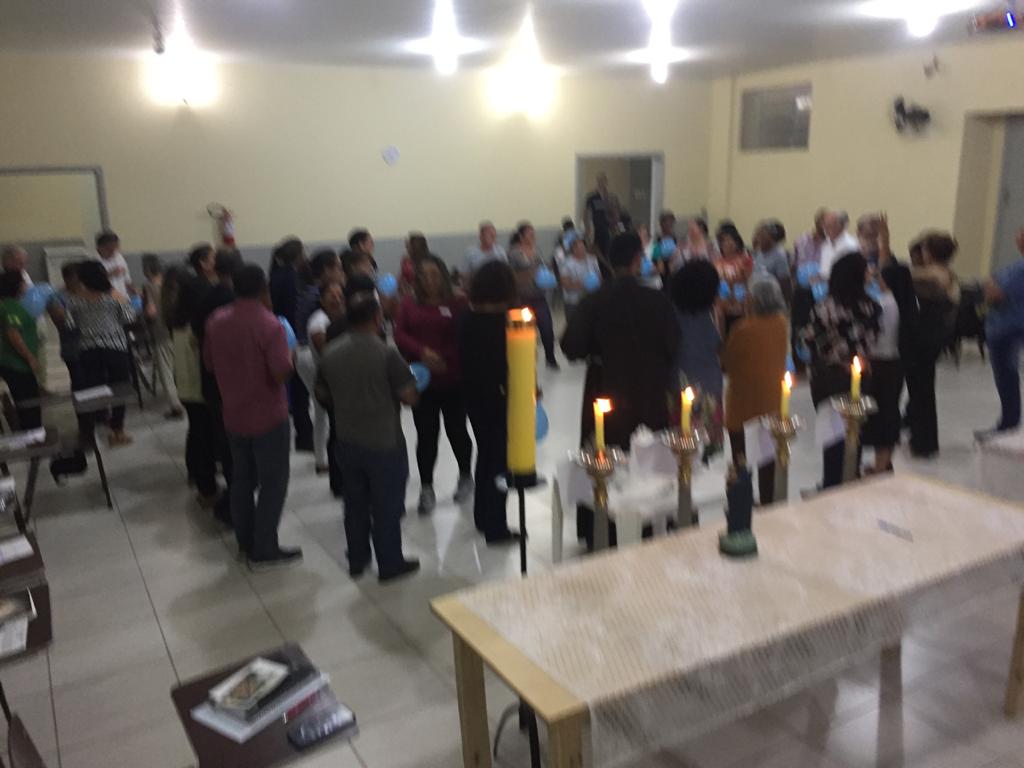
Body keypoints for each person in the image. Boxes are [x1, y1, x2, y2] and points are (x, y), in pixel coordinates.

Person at [562, 232, 679, 547]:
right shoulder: (657, 300)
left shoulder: (594, 300)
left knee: (603, 452)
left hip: (606, 388)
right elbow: (674, 345)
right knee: (648, 452)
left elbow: (570, 346)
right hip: (649, 390)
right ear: (638, 260)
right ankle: (651, 523)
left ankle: (600, 528)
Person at [316, 287, 420, 581]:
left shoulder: (330, 353)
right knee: (386, 506)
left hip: (347, 440)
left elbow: (322, 394)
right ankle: (389, 563)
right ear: (377, 318)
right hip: (384, 441)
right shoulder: (386, 353)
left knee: (355, 504)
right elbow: (409, 397)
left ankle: (357, 559)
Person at [205, 264, 300, 570]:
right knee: (273, 482)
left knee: (242, 480)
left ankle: (245, 541)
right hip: (268, 416)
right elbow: (280, 372)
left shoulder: (216, 320)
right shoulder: (270, 324)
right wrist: (292, 356)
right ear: (263, 289)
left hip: (233, 414)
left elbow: (209, 364)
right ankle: (265, 546)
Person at [394, 255, 473, 514]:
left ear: (443, 276)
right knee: (426, 436)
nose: (429, 280)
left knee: (457, 431)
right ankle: (426, 488)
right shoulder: (409, 303)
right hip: (422, 380)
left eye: (434, 275)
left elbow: (465, 336)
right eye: (424, 276)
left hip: (453, 378)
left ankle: (465, 477)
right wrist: (423, 352)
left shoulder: (458, 302)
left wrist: (444, 358)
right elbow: (400, 334)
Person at [802, 252, 881, 488]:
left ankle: (831, 481)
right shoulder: (872, 307)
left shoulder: (824, 307)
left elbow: (810, 340)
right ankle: (851, 475)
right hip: (859, 374)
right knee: (854, 429)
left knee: (832, 433)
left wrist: (834, 356)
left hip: (829, 377)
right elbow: (872, 340)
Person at [459, 260, 521, 544]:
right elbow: (511, 365)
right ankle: (496, 526)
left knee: (485, 453)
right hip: (500, 396)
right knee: (499, 461)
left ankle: (482, 515)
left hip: (473, 395)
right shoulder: (506, 323)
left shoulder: (466, 318)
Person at [721, 280, 790, 504]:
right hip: (771, 402)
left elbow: (727, 363)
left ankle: (741, 503)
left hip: (742, 404)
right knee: (768, 460)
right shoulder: (782, 323)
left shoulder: (742, 328)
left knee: (741, 459)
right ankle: (768, 501)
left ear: (756, 300)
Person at [191, 249, 242, 520]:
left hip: (212, 380)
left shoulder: (206, 297)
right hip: (230, 382)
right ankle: (235, 504)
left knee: (222, 440)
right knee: (234, 445)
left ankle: (230, 497)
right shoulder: (232, 302)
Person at [63, 260, 136, 446]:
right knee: (119, 388)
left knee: (94, 390)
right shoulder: (114, 296)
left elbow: (69, 325)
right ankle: (118, 430)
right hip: (115, 348)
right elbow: (129, 317)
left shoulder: (74, 300)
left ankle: (92, 430)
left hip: (88, 350)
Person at [905, 232, 960, 458]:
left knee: (921, 391)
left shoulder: (934, 274)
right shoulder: (945, 272)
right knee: (922, 390)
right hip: (933, 338)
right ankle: (921, 436)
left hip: (926, 339)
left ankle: (924, 442)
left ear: (929, 252)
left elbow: (903, 275)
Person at [294, 249, 344, 473]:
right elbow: (319, 335)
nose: (341, 272)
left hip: (305, 352)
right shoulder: (317, 298)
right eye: (337, 268)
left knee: (321, 406)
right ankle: (322, 460)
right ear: (326, 270)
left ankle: (322, 456)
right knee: (322, 406)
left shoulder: (309, 291)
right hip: (310, 354)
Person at [670, 260, 724, 451]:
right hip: (708, 386)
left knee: (682, 446)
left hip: (679, 383)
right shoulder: (708, 314)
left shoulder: (672, 312)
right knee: (702, 445)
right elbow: (718, 346)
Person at [268, 237, 313, 453]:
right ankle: (304, 435)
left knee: (293, 385)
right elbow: (292, 308)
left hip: (280, 331)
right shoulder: (291, 277)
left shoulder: (275, 274)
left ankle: (301, 430)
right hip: (291, 334)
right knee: (299, 387)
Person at [980, 228, 1024, 436]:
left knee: (1007, 376)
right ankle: (1009, 420)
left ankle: (1009, 423)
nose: (1017, 237)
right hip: (1002, 327)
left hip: (1010, 328)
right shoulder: (1015, 266)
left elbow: (996, 293)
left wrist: (990, 285)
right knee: (1005, 376)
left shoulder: (1020, 270)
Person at [509, 221, 558, 369]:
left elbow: (542, 267)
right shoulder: (514, 253)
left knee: (547, 328)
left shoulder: (537, 250)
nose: (533, 236)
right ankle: (524, 359)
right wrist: (530, 273)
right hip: (522, 297)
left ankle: (550, 357)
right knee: (523, 331)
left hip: (539, 295)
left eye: (533, 234)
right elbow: (512, 274)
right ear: (521, 237)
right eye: (530, 234)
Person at [141, 255, 183, 419]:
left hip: (161, 332)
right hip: (177, 331)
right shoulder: (172, 285)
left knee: (166, 371)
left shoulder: (149, 286)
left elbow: (150, 311)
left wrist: (144, 315)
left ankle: (175, 405)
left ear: (148, 271)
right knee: (179, 368)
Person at [0, 271, 43, 429]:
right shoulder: (12, 307)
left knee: (25, 401)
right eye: (24, 282)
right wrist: (30, 357)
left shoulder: (6, 305)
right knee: (29, 403)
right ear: (17, 286)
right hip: (17, 363)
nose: (27, 286)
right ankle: (33, 435)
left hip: (10, 361)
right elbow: (13, 333)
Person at [715, 223, 753, 336]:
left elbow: (748, 280)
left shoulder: (745, 260)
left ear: (737, 242)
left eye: (730, 240)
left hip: (740, 300)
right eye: (724, 241)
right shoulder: (717, 261)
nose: (727, 243)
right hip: (721, 302)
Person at [559, 232, 601, 322]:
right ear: (572, 249)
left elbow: (599, 277)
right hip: (573, 302)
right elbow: (566, 285)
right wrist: (584, 284)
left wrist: (595, 283)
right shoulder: (566, 263)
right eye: (577, 247)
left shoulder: (592, 259)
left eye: (582, 247)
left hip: (591, 300)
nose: (581, 249)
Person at [751, 220, 792, 302]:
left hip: (773, 299)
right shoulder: (757, 253)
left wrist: (784, 302)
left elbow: (785, 282)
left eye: (762, 235)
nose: (758, 238)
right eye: (757, 235)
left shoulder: (779, 255)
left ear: (771, 237)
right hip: (756, 297)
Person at [585, 172, 619, 259]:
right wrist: (587, 229)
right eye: (599, 180)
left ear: (606, 182)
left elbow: (615, 213)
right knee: (596, 250)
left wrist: (615, 226)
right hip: (596, 228)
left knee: (608, 250)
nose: (601, 183)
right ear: (597, 182)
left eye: (603, 180)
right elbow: (586, 213)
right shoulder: (592, 197)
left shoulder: (611, 197)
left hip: (608, 229)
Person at [819, 210, 859, 277]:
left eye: (831, 225)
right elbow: (824, 270)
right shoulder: (825, 244)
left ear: (842, 226)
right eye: (825, 225)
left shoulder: (851, 246)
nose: (826, 228)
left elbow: (848, 274)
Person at [94, 231, 133, 295]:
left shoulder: (119, 257)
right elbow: (93, 283)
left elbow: (127, 280)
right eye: (110, 250)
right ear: (99, 248)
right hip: (105, 298)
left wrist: (134, 292)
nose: (113, 252)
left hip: (123, 296)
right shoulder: (93, 262)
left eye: (116, 248)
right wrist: (110, 274)